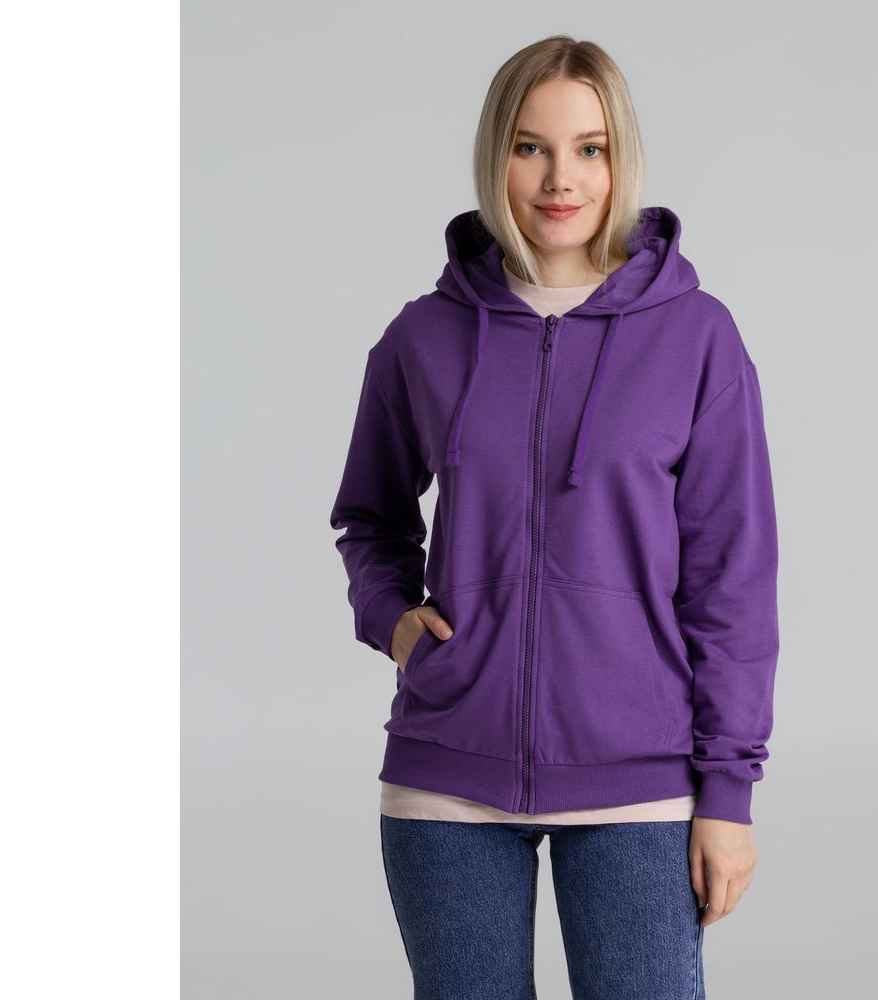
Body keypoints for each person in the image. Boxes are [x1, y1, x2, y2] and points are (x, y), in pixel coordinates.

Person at [329, 35, 780, 1000]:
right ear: (495, 155)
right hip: (446, 773)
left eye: (590, 148)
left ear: (622, 160)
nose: (560, 178)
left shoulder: (695, 336)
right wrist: (392, 619)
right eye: (530, 146)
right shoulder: (425, 335)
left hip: (640, 779)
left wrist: (728, 794)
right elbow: (368, 516)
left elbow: (731, 579)